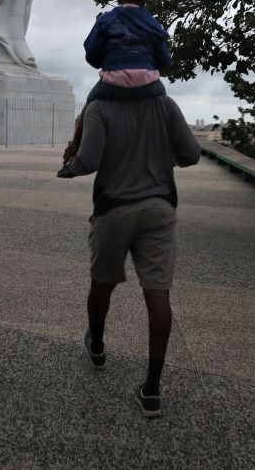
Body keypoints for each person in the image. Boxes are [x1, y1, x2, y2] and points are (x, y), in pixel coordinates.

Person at [57, 93, 201, 418]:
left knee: (102, 283)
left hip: (114, 209)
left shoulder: (99, 107)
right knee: (158, 294)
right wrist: (164, 159)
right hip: (160, 207)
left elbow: (89, 160)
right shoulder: (165, 105)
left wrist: (69, 166)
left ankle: (96, 344)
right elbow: (191, 154)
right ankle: (151, 389)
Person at [61, 0, 172, 165]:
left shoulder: (106, 20)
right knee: (165, 106)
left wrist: (106, 63)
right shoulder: (153, 23)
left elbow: (91, 53)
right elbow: (164, 58)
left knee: (89, 107)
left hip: (113, 84)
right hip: (148, 85)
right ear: (145, 0)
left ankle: (74, 152)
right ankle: (170, 152)